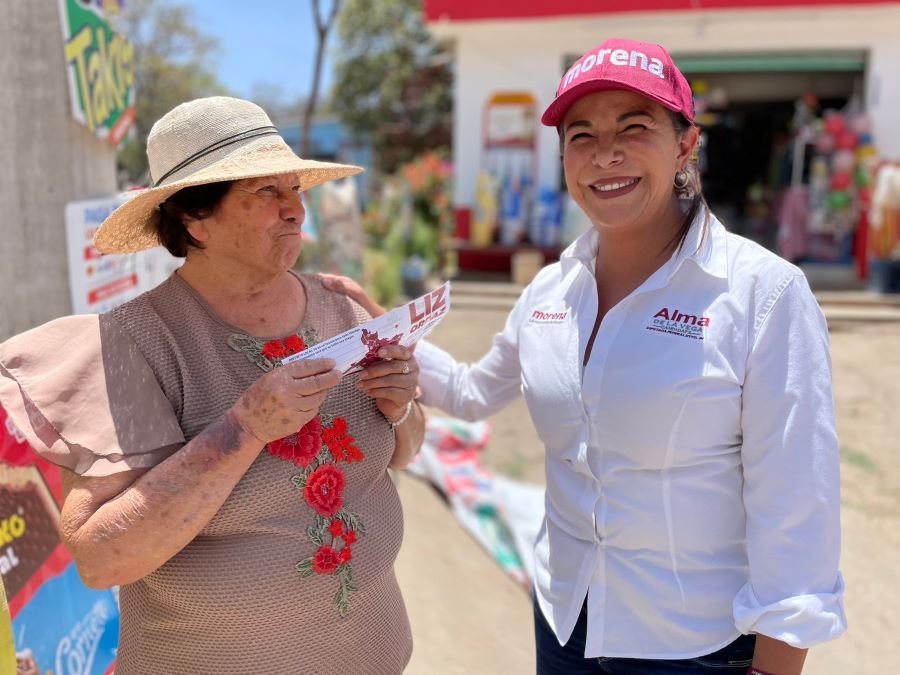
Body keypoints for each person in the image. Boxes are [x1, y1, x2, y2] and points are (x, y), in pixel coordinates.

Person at [328, 38, 846, 675]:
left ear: (686, 144)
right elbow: (470, 391)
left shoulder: (762, 295)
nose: (606, 155)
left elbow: (797, 507)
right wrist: (381, 326)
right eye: (581, 135)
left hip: (692, 646)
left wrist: (776, 665)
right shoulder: (552, 289)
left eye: (635, 127)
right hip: (564, 621)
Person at [0, 96, 424, 674]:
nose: (296, 210)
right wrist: (244, 426)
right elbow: (103, 558)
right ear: (195, 220)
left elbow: (406, 448)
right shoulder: (134, 345)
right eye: (264, 193)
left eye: (295, 188)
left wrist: (400, 410)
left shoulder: (342, 304)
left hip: (374, 654)